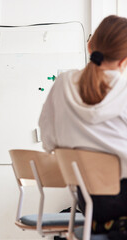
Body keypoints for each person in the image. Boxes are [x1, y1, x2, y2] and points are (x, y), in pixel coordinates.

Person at [39, 15, 127, 235]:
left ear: (90, 46)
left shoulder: (62, 84)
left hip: (89, 203)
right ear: (124, 60)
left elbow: (48, 142)